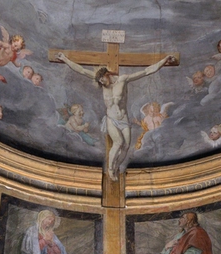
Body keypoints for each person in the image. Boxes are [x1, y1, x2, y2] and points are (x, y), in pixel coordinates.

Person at [55, 52, 176, 181]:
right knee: (118, 142)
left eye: (102, 79)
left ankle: (116, 166)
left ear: (107, 74)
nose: (102, 82)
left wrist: (164, 61)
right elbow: (81, 70)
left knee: (126, 146)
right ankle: (110, 169)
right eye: (99, 81)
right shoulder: (102, 83)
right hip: (111, 119)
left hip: (123, 119)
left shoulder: (123, 79)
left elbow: (146, 71)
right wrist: (65, 59)